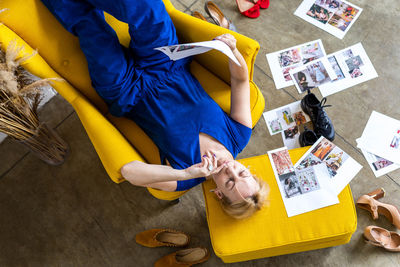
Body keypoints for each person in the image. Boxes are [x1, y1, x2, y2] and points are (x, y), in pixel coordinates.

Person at [40, 0, 268, 219]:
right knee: (147, 7)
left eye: (229, 183)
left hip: (126, 90)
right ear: (248, 169)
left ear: (218, 193)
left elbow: (130, 172)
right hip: (167, 63)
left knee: (89, 27)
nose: (230, 171)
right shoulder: (239, 135)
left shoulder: (182, 178)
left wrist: (187, 173)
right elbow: (240, 82)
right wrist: (233, 50)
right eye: (241, 173)